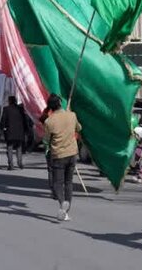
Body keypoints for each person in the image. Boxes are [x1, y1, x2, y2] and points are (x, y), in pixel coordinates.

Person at [43, 94, 81, 222]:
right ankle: (66, 210)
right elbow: (79, 128)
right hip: (72, 153)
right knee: (69, 182)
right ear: (60, 103)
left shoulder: (49, 121)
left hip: (58, 155)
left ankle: (62, 204)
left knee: (57, 183)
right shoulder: (72, 115)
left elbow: (46, 140)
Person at [0, 96, 27, 170]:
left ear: (9, 101)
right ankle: (20, 163)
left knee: (9, 147)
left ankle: (11, 164)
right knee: (19, 147)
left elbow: (3, 120)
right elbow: (24, 120)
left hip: (10, 131)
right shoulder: (20, 109)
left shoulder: (6, 109)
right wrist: (25, 130)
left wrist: (2, 128)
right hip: (19, 131)